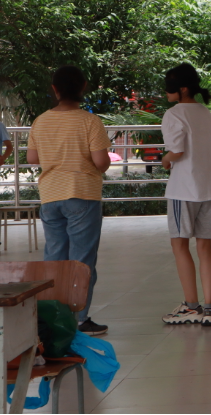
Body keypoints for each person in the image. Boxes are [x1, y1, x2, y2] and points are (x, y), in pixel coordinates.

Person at [25, 65, 111, 336]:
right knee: (81, 261)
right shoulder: (89, 122)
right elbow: (101, 162)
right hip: (82, 194)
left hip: (50, 196)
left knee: (54, 260)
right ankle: (79, 319)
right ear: (82, 87)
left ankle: (52, 318)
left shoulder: (40, 121)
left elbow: (32, 158)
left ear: (55, 89)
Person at [159, 63, 211, 327]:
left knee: (179, 245)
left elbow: (176, 151)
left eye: (170, 87)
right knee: (204, 246)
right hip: (210, 187)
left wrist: (165, 160)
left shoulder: (174, 114)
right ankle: (210, 308)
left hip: (184, 189)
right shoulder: (205, 113)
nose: (166, 92)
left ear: (183, 89)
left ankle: (191, 306)